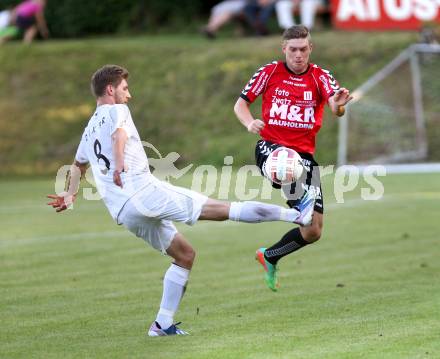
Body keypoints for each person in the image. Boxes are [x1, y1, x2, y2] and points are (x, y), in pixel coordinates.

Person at [47, 64, 316, 336]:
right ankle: (297, 216)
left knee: (184, 255)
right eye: (125, 89)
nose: (129, 95)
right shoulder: (117, 110)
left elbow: (77, 166)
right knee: (223, 209)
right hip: (144, 193)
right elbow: (120, 135)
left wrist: (69, 195)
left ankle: (162, 324)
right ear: (110, 89)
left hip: (123, 211)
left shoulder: (89, 128)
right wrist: (119, 165)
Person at [234, 25, 352, 291]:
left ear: (311, 48)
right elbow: (241, 103)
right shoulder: (269, 72)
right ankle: (301, 202)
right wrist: (249, 122)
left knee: (313, 231)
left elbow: (336, 107)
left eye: (303, 49)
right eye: (293, 49)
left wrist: (339, 103)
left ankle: (270, 255)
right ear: (284, 49)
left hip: (305, 156)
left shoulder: (321, 77)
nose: (298, 55)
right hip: (271, 148)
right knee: (285, 164)